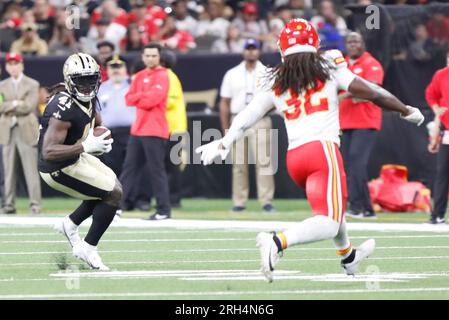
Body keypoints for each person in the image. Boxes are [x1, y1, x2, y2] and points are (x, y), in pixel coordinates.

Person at [196, 18, 424, 282]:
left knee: (333, 209)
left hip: (295, 157)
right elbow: (370, 91)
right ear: (314, 43)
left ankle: (348, 256)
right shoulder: (329, 64)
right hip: (322, 150)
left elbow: (247, 115)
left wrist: (224, 142)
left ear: (282, 49)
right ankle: (277, 241)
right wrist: (406, 110)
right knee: (328, 220)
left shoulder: (274, 79)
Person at [39, 53, 119, 270]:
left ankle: (70, 223)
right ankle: (88, 247)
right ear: (69, 80)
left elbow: (97, 124)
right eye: (80, 81)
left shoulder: (90, 96)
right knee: (112, 194)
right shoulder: (62, 106)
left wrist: (102, 139)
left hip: (75, 156)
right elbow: (48, 151)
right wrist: (86, 146)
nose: (86, 86)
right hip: (57, 167)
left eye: (90, 80)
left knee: (113, 187)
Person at [220, 38, 275, 213]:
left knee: (263, 161)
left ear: (259, 51)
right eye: (248, 48)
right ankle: (239, 201)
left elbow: (275, 99)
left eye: (254, 48)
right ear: (243, 51)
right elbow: (224, 102)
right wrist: (225, 128)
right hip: (237, 119)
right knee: (238, 163)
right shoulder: (232, 73)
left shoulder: (267, 73)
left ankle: (266, 201)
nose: (251, 51)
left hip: (260, 119)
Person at [121, 43, 171, 220]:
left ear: (159, 57)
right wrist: (143, 97)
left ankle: (164, 210)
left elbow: (153, 100)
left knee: (156, 170)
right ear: (142, 57)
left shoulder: (163, 75)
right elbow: (128, 99)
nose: (150, 58)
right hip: (138, 129)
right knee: (129, 169)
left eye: (153, 55)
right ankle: (117, 207)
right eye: (147, 55)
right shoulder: (139, 76)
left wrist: (139, 97)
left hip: (155, 129)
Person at [339, 32, 384, 219]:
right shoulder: (343, 66)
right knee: (350, 166)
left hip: (365, 121)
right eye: (349, 42)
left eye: (356, 41)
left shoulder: (371, 63)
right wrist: (352, 95)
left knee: (357, 163)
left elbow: (371, 88)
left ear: (363, 43)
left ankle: (361, 207)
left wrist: (346, 94)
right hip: (346, 121)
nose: (353, 45)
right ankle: (361, 207)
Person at [0, 52, 41, 215]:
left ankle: (35, 205)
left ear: (21, 65)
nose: (13, 67)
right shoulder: (2, 85)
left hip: (26, 130)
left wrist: (10, 105)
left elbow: (29, 106)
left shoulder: (32, 84)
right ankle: (9, 205)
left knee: (30, 170)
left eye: (15, 63)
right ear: (6, 67)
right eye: (10, 64)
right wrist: (17, 103)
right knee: (8, 171)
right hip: (8, 130)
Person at [97, 55, 135, 178]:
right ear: (107, 69)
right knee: (111, 169)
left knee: (132, 167)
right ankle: (115, 197)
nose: (116, 70)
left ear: (125, 69)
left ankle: (132, 197)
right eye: (112, 67)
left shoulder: (134, 85)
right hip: (109, 134)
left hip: (131, 133)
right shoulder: (100, 89)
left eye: (119, 66)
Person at [425, 51, 449, 224]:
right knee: (442, 173)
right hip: (447, 131)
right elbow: (431, 94)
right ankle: (437, 215)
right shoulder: (441, 75)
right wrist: (435, 110)